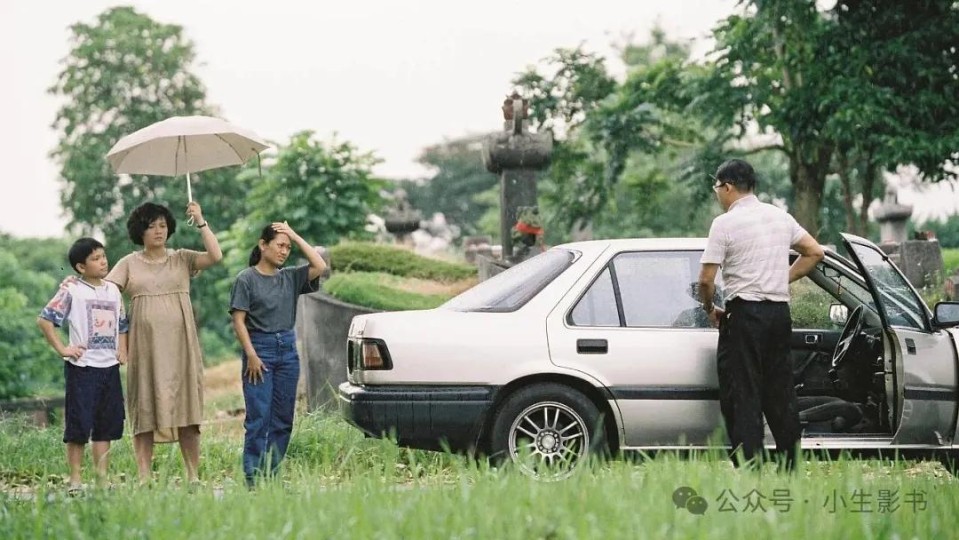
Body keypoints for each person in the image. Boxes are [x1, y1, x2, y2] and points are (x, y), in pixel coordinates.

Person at [698, 159, 825, 471]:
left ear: (727, 187)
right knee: (781, 390)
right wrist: (782, 278)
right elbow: (815, 252)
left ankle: (749, 466)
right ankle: (790, 465)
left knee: (743, 391)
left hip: (744, 315)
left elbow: (706, 280)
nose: (717, 194)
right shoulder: (780, 217)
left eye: (717, 188)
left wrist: (709, 309)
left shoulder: (724, 224)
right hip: (779, 315)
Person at [106, 201, 222, 484]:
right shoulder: (128, 263)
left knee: (187, 408)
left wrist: (201, 220)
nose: (158, 231)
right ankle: (144, 477)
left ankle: (193, 476)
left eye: (163, 225)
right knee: (144, 407)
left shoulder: (182, 258)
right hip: (145, 347)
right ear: (140, 231)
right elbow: (106, 293)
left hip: (182, 346)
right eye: (151, 226)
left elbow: (215, 256)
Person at [229, 222, 327, 487]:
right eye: (280, 245)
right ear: (263, 245)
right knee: (258, 418)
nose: (284, 251)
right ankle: (253, 480)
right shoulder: (246, 279)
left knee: (283, 419)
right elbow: (238, 320)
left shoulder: (290, 277)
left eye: (288, 247)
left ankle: (271, 476)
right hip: (259, 350)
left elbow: (320, 265)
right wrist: (251, 354)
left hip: (287, 351)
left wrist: (294, 234)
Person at [37, 238, 128, 492]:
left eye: (103, 256)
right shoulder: (72, 290)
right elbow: (45, 320)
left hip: (109, 368)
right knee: (78, 424)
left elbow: (122, 324)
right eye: (96, 259)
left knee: (105, 426)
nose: (103, 262)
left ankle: (101, 480)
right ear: (80, 266)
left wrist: (123, 349)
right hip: (82, 368)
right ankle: (75, 480)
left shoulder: (113, 290)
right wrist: (63, 349)